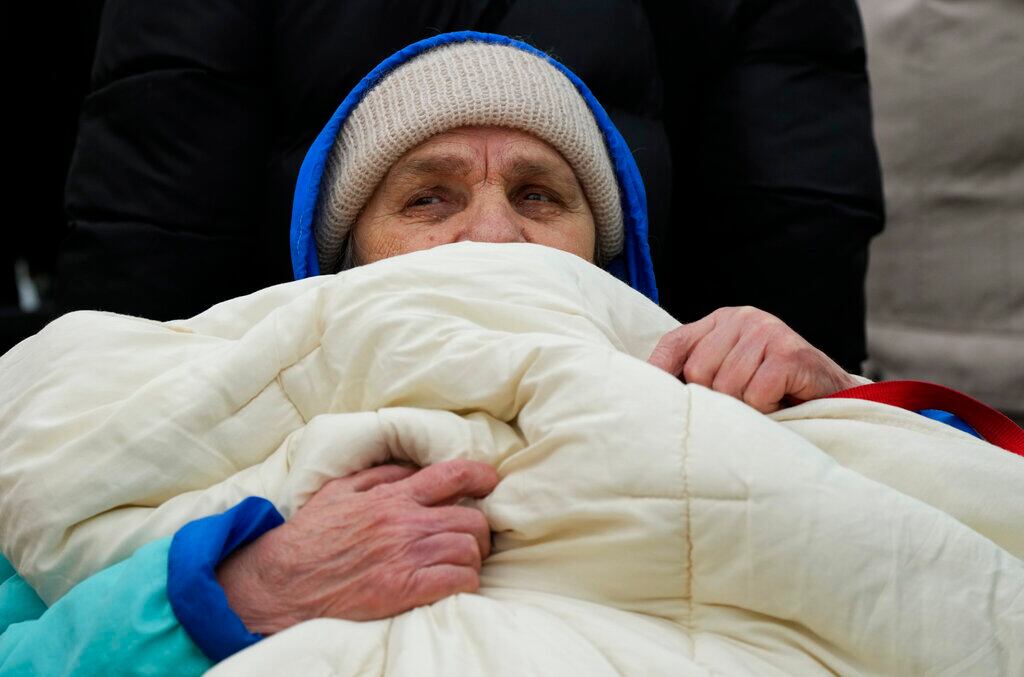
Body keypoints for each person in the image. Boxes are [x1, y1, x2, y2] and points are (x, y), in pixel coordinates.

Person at [0, 31, 864, 671]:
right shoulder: (160, 419)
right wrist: (230, 594)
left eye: (538, 194)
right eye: (427, 199)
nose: (493, 234)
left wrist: (841, 407)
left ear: (608, 268)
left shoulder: (712, 386)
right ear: (340, 268)